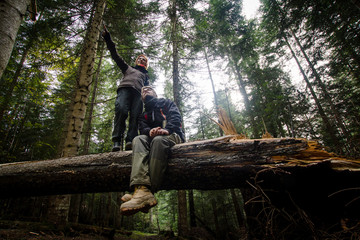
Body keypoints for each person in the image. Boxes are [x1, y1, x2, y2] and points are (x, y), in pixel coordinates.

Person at [120, 86, 185, 216]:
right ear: (142, 98)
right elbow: (142, 128)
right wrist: (149, 131)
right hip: (153, 138)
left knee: (158, 141)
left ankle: (146, 191)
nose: (145, 91)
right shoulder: (143, 114)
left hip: (173, 136)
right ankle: (140, 189)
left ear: (155, 93)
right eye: (143, 91)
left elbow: (176, 117)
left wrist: (167, 130)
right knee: (138, 139)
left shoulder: (166, 103)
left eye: (149, 89)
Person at [102, 25, 149, 151]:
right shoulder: (128, 68)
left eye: (144, 60)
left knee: (135, 116)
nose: (141, 60)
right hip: (125, 89)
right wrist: (108, 39)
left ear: (146, 64)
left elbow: (149, 91)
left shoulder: (146, 76)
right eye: (139, 58)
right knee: (121, 110)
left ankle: (131, 141)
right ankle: (117, 141)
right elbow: (115, 55)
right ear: (136, 61)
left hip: (138, 95)